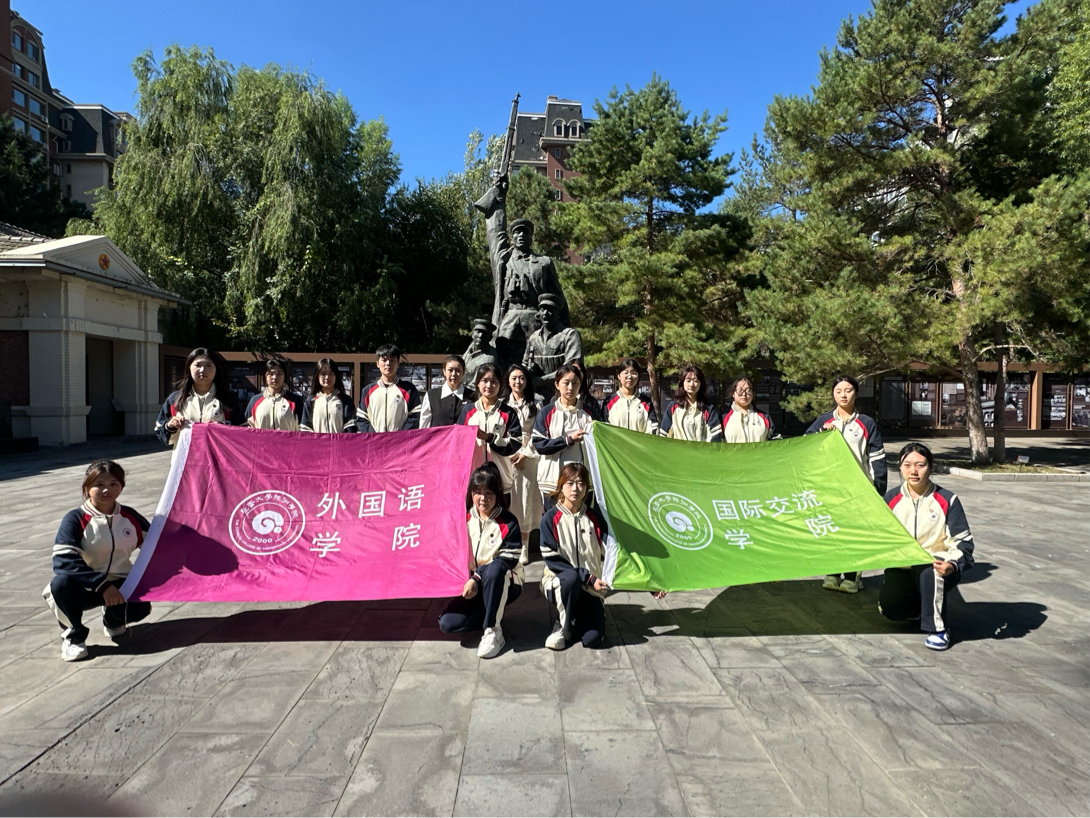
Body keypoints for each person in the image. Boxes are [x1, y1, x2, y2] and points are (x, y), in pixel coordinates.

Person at [44, 460, 153, 662]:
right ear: (87, 488)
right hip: (86, 587)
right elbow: (63, 560)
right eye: (99, 484)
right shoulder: (75, 519)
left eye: (113, 484)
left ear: (121, 486)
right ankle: (74, 637)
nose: (106, 490)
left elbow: (157, 544)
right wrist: (102, 586)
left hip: (120, 583)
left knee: (142, 607)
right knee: (58, 586)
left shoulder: (129, 516)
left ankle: (113, 620)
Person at [879, 443, 975, 651]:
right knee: (891, 609)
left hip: (937, 567)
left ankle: (938, 629)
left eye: (920, 465)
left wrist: (952, 565)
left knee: (928, 570)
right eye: (907, 465)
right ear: (900, 468)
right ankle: (919, 607)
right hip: (903, 567)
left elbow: (964, 544)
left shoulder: (947, 500)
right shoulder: (890, 499)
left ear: (931, 467)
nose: (913, 471)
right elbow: (879, 535)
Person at [805, 375, 887, 594]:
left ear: (856, 393)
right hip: (829, 488)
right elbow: (805, 445)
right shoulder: (824, 421)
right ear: (833, 394)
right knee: (831, 530)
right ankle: (832, 573)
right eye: (839, 391)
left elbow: (877, 458)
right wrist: (821, 435)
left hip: (857, 489)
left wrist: (878, 489)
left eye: (848, 390)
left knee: (854, 533)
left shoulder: (866, 423)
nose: (843, 395)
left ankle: (852, 577)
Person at [438, 465, 524, 658]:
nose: (483, 498)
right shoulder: (464, 518)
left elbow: (508, 560)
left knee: (496, 569)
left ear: (498, 493)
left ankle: (493, 630)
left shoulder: (508, 521)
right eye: (478, 492)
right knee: (447, 623)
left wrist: (477, 578)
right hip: (472, 584)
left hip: (504, 581)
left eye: (489, 493)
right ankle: (489, 612)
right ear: (471, 493)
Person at [540, 463, 609, 650]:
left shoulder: (595, 518)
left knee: (593, 640)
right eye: (570, 483)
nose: (575, 489)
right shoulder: (550, 519)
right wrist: (587, 577)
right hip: (560, 583)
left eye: (580, 483)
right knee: (570, 578)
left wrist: (649, 585)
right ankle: (562, 627)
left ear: (587, 487)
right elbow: (552, 560)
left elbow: (614, 555)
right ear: (561, 486)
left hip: (591, 589)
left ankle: (578, 617)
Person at [533, 364, 597, 510]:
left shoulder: (590, 413)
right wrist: (568, 440)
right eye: (566, 383)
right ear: (557, 384)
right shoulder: (547, 412)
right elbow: (539, 444)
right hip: (552, 481)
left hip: (582, 483)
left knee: (582, 518)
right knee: (554, 520)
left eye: (575, 383)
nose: (570, 388)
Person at [458, 364, 522, 506]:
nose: (489, 385)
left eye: (494, 382)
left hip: (501, 480)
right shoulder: (468, 411)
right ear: (477, 383)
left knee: (501, 518)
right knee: (473, 518)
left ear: (500, 385)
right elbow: (458, 444)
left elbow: (515, 443)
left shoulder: (508, 413)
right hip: (473, 480)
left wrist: (490, 438)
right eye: (485, 380)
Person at [155, 347, 242, 449]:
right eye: (197, 365)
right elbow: (160, 430)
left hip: (217, 458)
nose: (202, 370)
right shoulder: (175, 399)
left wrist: (223, 427)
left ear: (216, 370)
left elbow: (242, 433)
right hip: (186, 457)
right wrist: (170, 426)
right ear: (189, 368)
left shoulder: (228, 401)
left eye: (208, 365)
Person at [506, 363, 543, 564]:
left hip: (529, 457)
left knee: (526, 500)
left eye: (521, 378)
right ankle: (508, 543)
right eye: (514, 378)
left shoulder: (536, 404)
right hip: (507, 456)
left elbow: (538, 433)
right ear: (508, 380)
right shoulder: (503, 403)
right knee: (510, 499)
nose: (518, 382)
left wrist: (525, 453)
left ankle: (525, 546)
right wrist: (511, 453)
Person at [523, 293, 584, 395]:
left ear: (558, 314)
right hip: (538, 393)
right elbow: (525, 363)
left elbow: (571, 368)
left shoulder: (570, 335)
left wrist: (541, 380)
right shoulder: (533, 338)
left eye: (550, 310)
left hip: (563, 392)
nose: (545, 313)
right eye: (542, 309)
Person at [357, 344, 422, 433]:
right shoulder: (367, 391)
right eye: (384, 360)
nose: (388, 364)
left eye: (392, 360)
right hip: (375, 440)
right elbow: (362, 418)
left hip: (400, 440)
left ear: (398, 363)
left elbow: (415, 417)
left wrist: (400, 435)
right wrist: (374, 435)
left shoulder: (409, 389)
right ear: (377, 363)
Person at [659, 365, 723, 442]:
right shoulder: (673, 408)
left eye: (695, 381)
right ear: (682, 382)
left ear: (700, 383)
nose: (691, 384)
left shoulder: (708, 409)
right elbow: (663, 435)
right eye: (688, 380)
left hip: (701, 449)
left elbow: (716, 436)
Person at [301, 358, 358, 433]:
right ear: (317, 376)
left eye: (331, 374)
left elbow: (350, 426)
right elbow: (306, 428)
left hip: (339, 441)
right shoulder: (311, 400)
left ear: (336, 376)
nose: (327, 377)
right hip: (317, 441)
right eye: (323, 374)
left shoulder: (345, 400)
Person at [602, 358, 658, 434]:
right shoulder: (609, 402)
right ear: (619, 376)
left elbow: (653, 428)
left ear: (638, 376)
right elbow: (604, 429)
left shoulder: (646, 403)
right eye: (626, 373)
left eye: (633, 373)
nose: (629, 376)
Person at [246, 359, 304, 430]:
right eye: (271, 374)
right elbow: (246, 428)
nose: (275, 377)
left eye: (279, 374)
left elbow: (303, 429)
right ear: (265, 376)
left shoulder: (295, 401)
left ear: (284, 376)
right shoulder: (255, 401)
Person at [420, 355, 470, 429]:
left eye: (458, 370)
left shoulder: (472, 396)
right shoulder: (431, 395)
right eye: (450, 370)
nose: (454, 374)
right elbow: (424, 426)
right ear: (444, 371)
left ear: (463, 372)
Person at [721, 376, 777, 443]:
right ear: (733, 393)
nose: (744, 394)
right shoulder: (723, 418)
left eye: (748, 390)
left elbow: (776, 443)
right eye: (740, 390)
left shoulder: (765, 418)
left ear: (753, 394)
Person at [463, 320, 502, 389]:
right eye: (478, 332)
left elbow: (474, 385)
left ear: (490, 338)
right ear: (473, 334)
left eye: (484, 333)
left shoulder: (489, 358)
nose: (480, 336)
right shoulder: (471, 347)